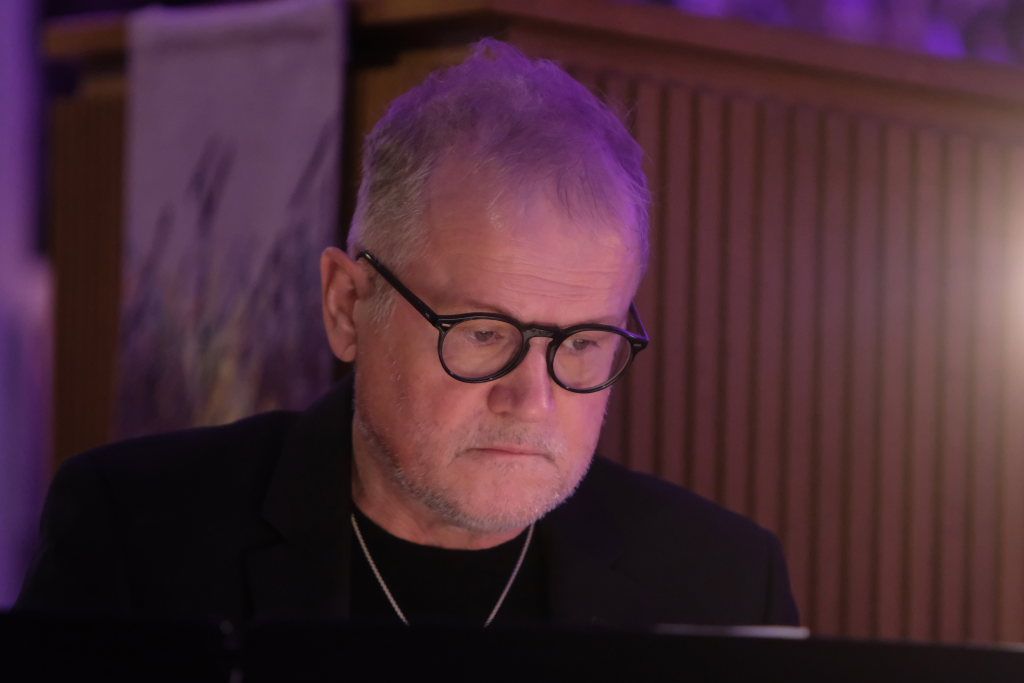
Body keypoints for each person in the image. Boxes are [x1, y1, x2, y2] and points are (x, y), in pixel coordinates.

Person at [17, 39, 798, 629]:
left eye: (584, 343)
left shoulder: (723, 584)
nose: (532, 398)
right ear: (347, 305)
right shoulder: (136, 538)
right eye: (484, 332)